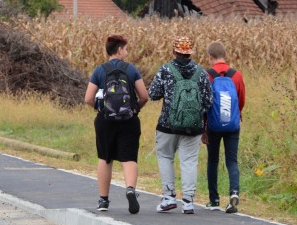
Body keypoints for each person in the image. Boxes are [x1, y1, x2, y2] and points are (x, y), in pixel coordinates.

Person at [84, 34, 149, 214]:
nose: (126, 52)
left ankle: (103, 200)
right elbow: (144, 96)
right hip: (129, 120)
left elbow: (88, 98)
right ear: (119, 50)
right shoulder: (131, 70)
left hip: (105, 120)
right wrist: (135, 109)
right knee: (129, 157)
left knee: (105, 157)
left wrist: (100, 108)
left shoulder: (99, 70)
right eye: (125, 49)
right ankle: (130, 189)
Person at [148, 36, 212, 215]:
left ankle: (168, 197)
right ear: (191, 53)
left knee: (165, 157)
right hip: (194, 126)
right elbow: (208, 101)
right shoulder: (201, 73)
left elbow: (153, 94)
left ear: (173, 51)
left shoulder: (165, 70)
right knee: (189, 161)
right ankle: (189, 202)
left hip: (167, 125)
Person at [204, 41, 246, 213]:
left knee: (212, 160)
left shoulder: (207, 75)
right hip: (232, 124)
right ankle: (234, 192)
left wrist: (204, 126)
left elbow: (205, 102)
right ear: (225, 55)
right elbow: (241, 100)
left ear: (210, 57)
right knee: (232, 161)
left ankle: (214, 200)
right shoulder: (236, 75)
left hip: (213, 125)